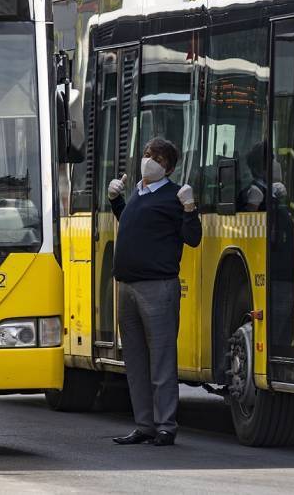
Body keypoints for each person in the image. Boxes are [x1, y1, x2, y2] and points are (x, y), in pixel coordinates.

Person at [108, 137, 201, 447]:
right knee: (135, 360)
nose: (149, 161)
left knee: (161, 359)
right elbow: (135, 224)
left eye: (158, 158)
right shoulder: (138, 191)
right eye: (148, 154)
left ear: (169, 168)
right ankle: (144, 424)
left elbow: (193, 238)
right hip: (128, 286)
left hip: (157, 287)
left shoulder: (174, 196)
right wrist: (116, 202)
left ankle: (165, 426)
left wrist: (189, 208)